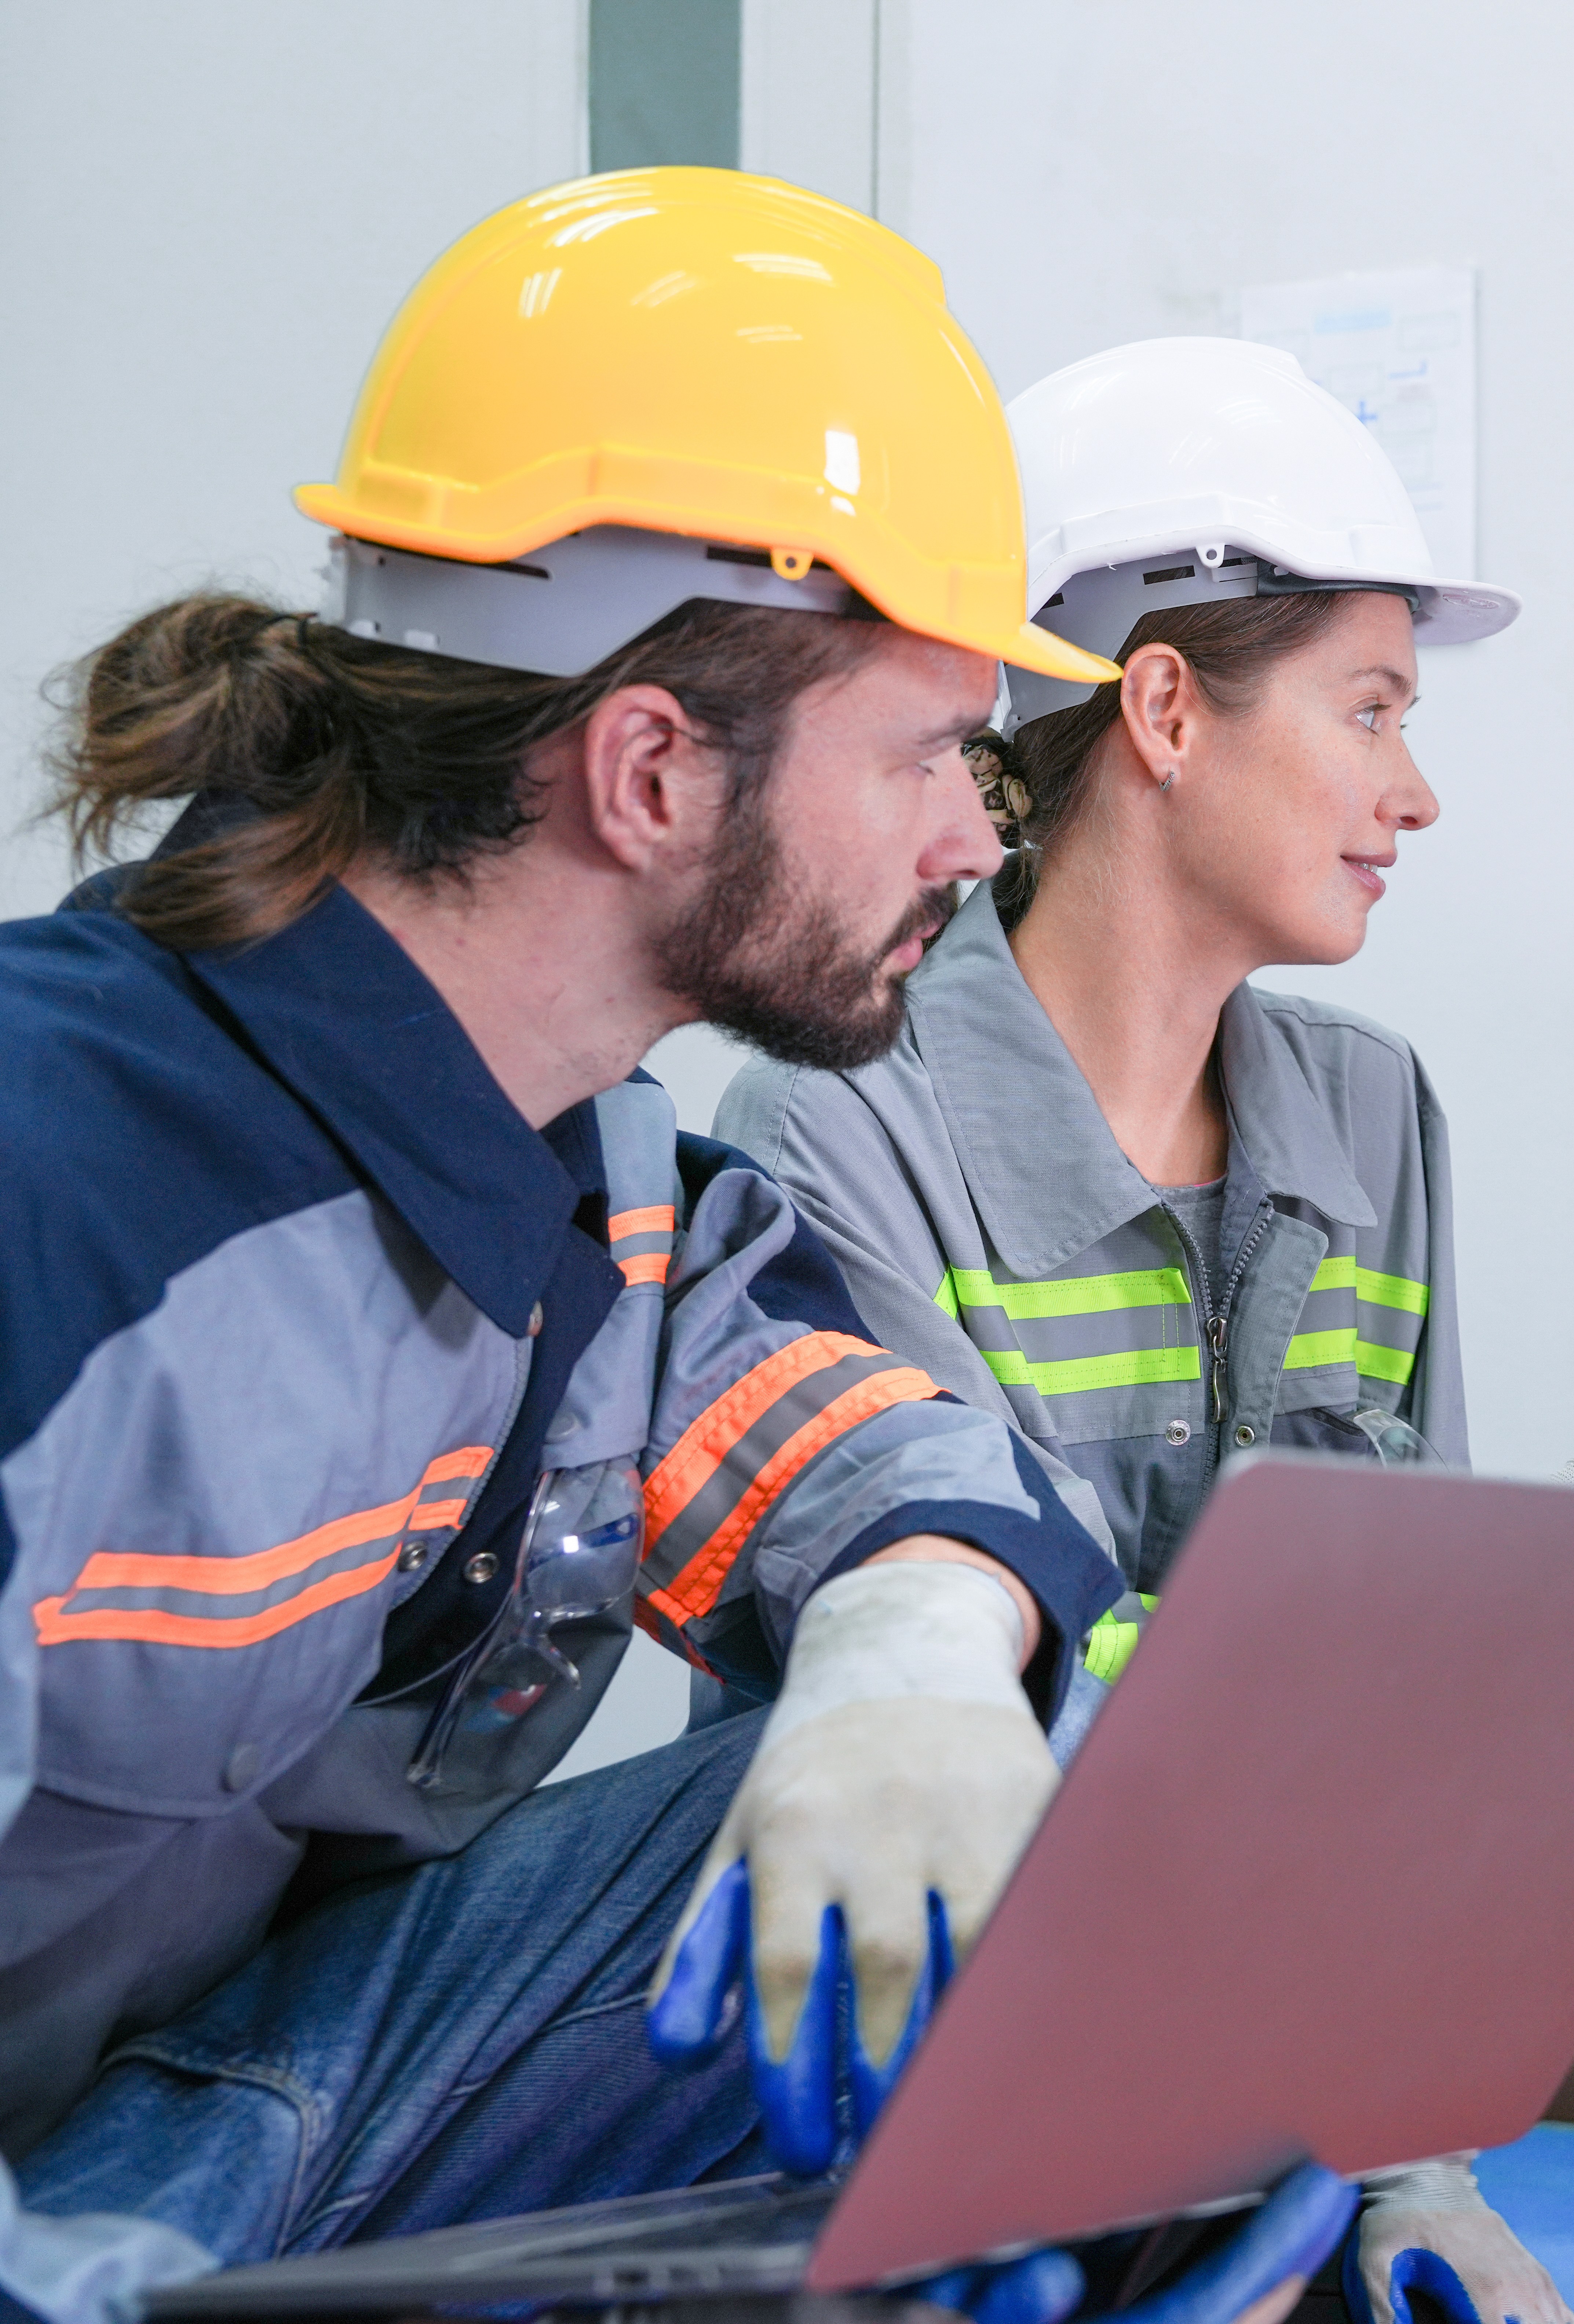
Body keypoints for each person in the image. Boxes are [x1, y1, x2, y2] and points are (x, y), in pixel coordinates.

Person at [0, 172, 1341, 2324]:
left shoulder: (594, 1173)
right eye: (926, 751)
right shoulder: (57, 1197)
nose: (973, 833)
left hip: (256, 2108)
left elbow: (863, 1444)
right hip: (66, 2230)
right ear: (646, 771)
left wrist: (913, 1646)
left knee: (1101, 1829)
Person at [715, 335, 1574, 2324]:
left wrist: (1413, 2166)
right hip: (934, 2074)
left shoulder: (1373, 1115)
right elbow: (1039, 1733)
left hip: (1270, 2076)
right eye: (1374, 707)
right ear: (1161, 709)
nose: (1416, 790)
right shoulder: (835, 1126)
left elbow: (1417, 1723)